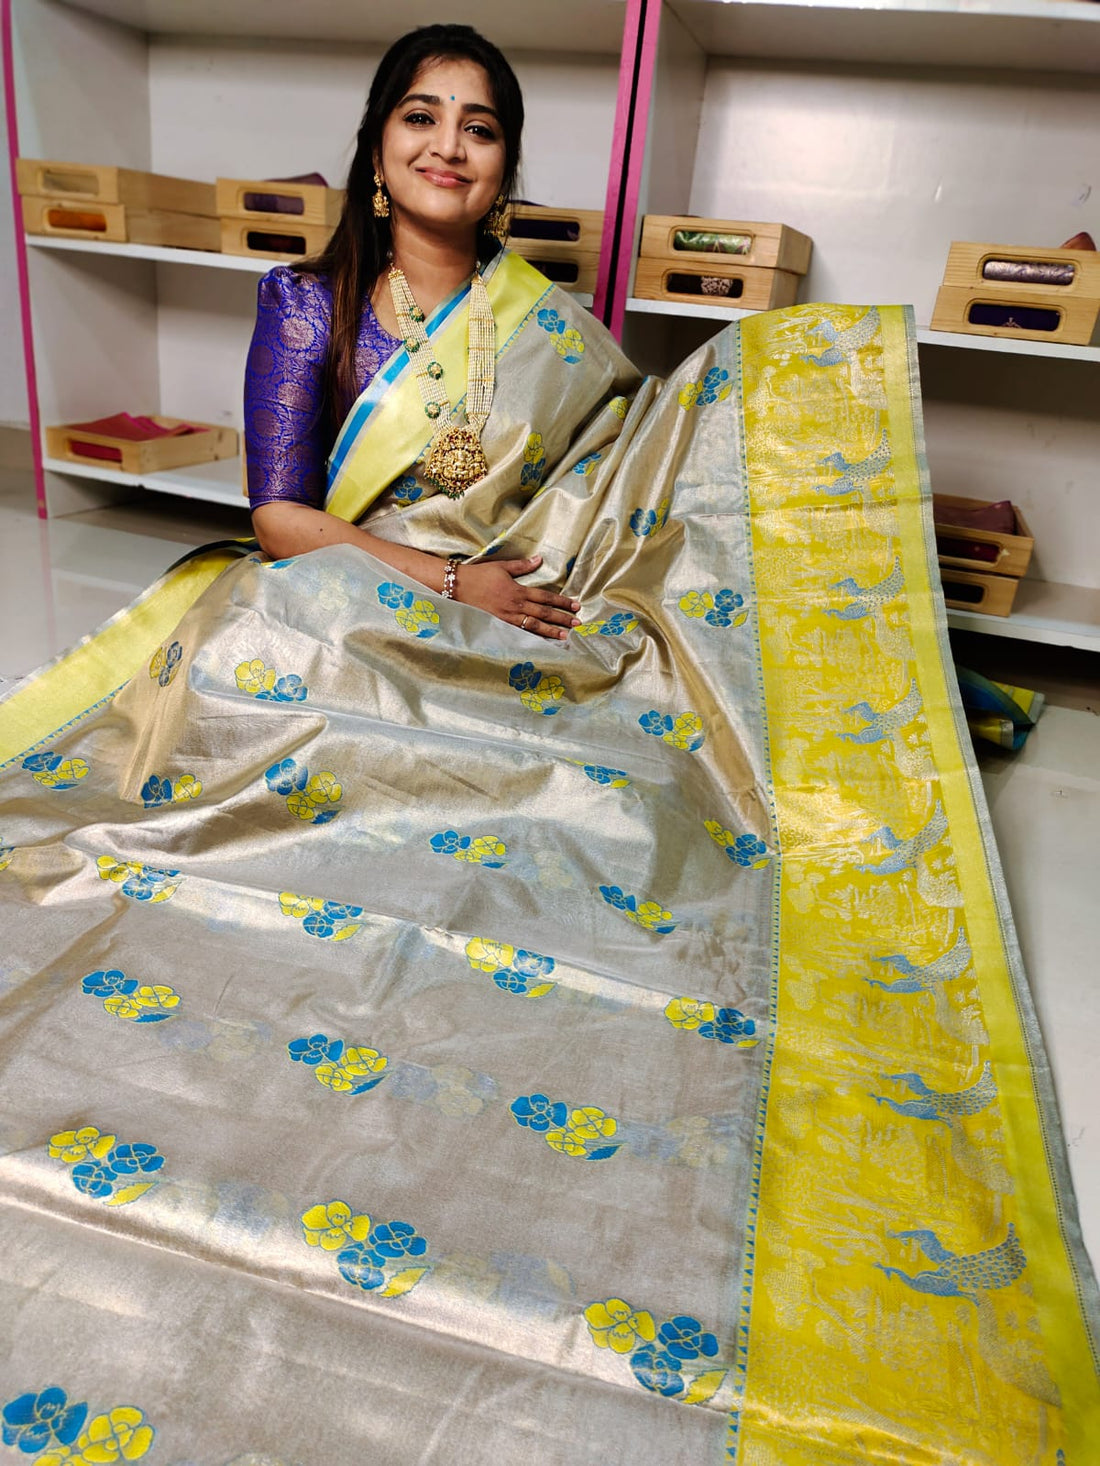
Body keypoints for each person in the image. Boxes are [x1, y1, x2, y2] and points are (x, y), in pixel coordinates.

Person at [244, 24, 585, 641]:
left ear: (504, 169)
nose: (449, 147)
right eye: (421, 118)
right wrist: (453, 583)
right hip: (342, 608)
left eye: (479, 129)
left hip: (512, 611)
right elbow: (279, 519)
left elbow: (612, 472)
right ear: (377, 153)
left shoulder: (550, 326)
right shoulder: (308, 307)